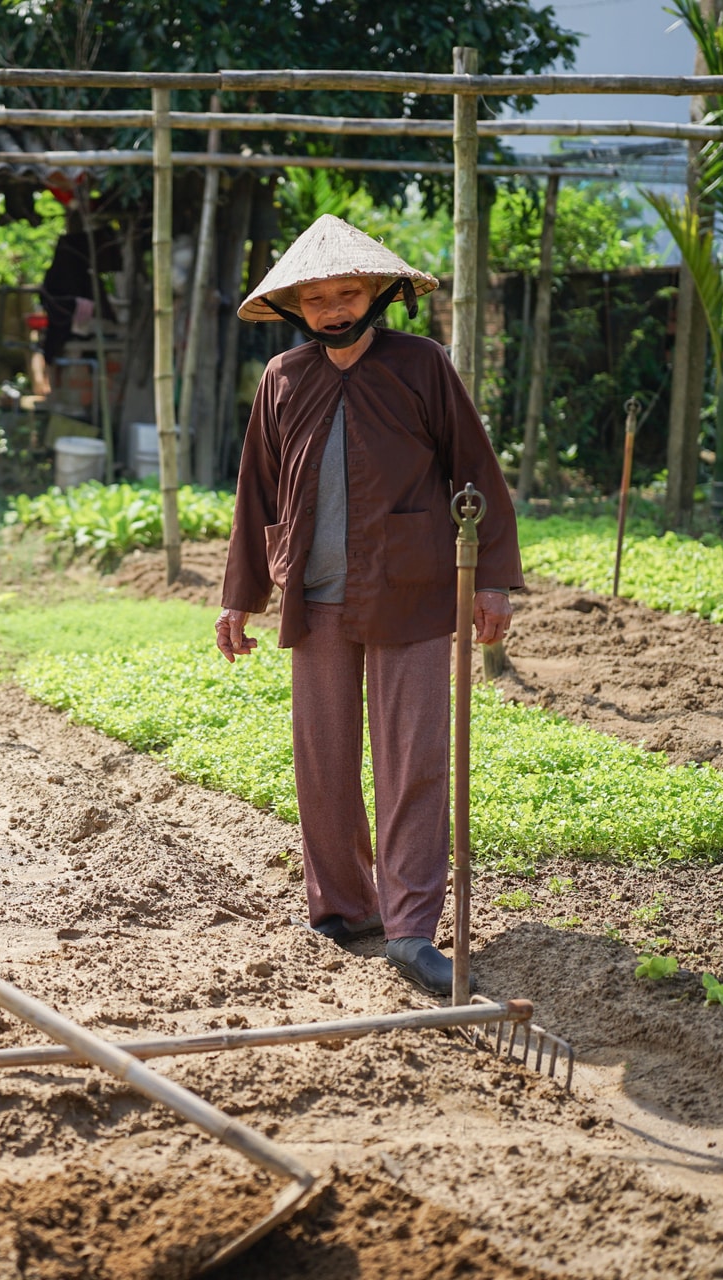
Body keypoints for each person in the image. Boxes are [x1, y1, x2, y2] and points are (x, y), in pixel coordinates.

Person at [216, 215, 522, 997]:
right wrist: (238, 598)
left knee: (412, 760)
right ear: (295, 309)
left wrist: (490, 580)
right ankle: (342, 907)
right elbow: (255, 489)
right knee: (322, 761)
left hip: (412, 591)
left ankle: (413, 926)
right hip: (312, 597)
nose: (332, 309)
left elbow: (474, 470)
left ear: (378, 292)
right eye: (315, 299)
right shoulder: (282, 378)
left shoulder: (422, 365)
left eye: (346, 292)